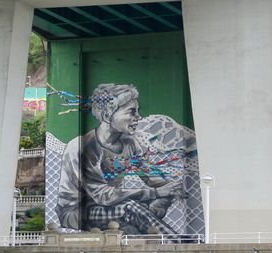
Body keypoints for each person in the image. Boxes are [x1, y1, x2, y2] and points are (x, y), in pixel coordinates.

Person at [58, 84, 184, 234]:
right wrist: (155, 193)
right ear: (107, 116)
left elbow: (153, 178)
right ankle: (179, 243)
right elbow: (103, 195)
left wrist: (162, 201)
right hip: (76, 211)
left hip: (111, 206)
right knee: (131, 208)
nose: (139, 117)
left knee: (133, 232)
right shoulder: (82, 147)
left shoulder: (130, 143)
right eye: (132, 112)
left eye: (137, 111)